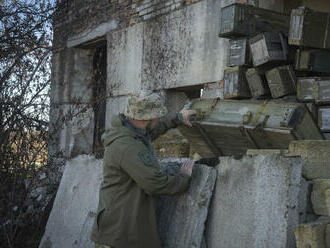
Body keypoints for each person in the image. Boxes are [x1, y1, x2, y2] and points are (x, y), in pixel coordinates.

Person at [91, 90, 196, 248]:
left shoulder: (128, 130)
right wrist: (183, 178)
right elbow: (155, 183)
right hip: (120, 234)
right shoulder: (128, 146)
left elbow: (152, 131)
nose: (159, 118)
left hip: (119, 225)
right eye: (157, 116)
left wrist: (179, 118)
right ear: (147, 118)